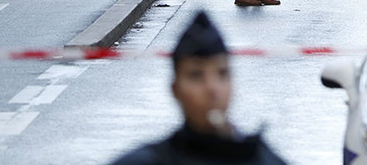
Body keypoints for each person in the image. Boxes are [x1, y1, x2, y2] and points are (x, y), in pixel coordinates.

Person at [111, 11, 286, 164]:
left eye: (222, 74)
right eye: (196, 75)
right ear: (175, 89)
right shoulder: (147, 161)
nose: (212, 89)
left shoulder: (263, 158)